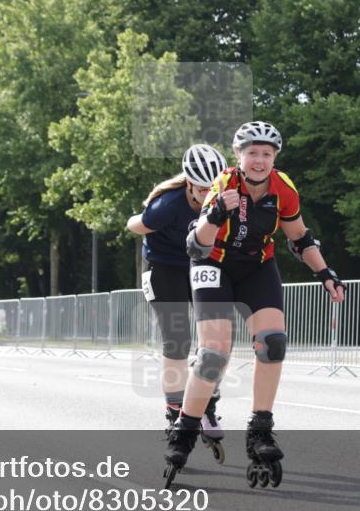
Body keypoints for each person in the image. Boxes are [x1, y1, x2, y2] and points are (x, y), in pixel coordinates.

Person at [164, 121, 345, 489]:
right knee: (213, 354)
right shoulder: (223, 184)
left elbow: (299, 238)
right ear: (239, 156)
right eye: (252, 153)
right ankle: (184, 430)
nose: (259, 160)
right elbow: (196, 245)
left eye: (266, 154)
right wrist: (214, 215)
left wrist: (325, 272)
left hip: (257, 265)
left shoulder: (284, 189)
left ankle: (260, 429)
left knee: (273, 343)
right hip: (213, 262)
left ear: (274, 158)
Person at [127, 144, 228, 459]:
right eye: (201, 190)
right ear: (189, 185)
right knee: (177, 340)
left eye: (214, 188)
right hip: (164, 266)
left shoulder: (226, 198)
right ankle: (174, 411)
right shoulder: (169, 204)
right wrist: (140, 218)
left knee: (213, 343)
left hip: (203, 264)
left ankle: (206, 402)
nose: (208, 195)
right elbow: (136, 225)